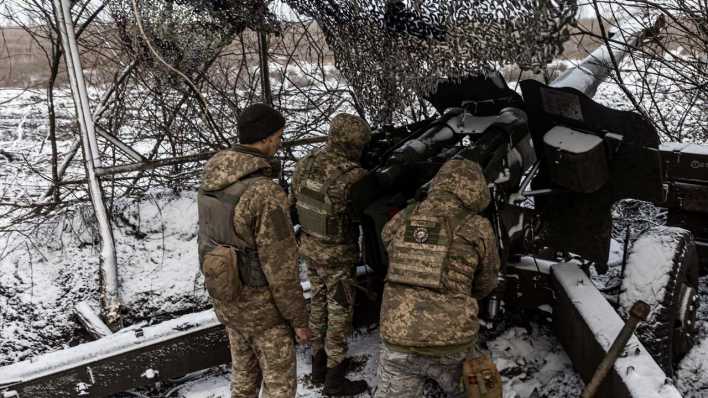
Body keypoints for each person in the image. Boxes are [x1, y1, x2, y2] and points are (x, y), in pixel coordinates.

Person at [197, 103, 311, 398]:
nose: (279, 142)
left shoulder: (213, 176)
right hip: (263, 311)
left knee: (244, 378)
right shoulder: (264, 192)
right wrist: (299, 320)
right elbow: (281, 267)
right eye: (278, 136)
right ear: (265, 138)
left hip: (227, 297)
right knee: (279, 388)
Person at [374, 158, 501, 398]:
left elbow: (386, 239)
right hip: (452, 344)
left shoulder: (405, 215)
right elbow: (487, 281)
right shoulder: (478, 226)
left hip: (397, 340)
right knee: (482, 390)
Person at [290, 113, 371, 396]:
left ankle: (318, 366)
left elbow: (294, 203)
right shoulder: (353, 176)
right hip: (337, 257)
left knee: (318, 305)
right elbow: (361, 216)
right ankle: (335, 380)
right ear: (355, 143)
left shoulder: (306, 162)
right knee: (339, 313)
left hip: (310, 249)